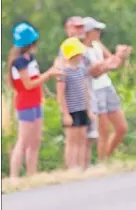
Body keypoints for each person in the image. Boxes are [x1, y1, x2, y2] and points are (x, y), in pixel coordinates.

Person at [7, 22, 64, 179]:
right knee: (23, 141)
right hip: (25, 104)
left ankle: (32, 174)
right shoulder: (20, 62)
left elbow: (35, 80)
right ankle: (14, 176)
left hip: (35, 102)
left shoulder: (29, 58)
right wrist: (49, 74)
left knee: (35, 140)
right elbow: (28, 84)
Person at [82, 17, 131, 163]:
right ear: (88, 32)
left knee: (121, 128)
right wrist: (109, 63)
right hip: (95, 91)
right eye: (96, 30)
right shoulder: (83, 51)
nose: (99, 33)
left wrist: (120, 55)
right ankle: (102, 162)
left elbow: (113, 63)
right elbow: (94, 73)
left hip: (107, 86)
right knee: (104, 131)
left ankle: (106, 159)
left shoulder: (97, 45)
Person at [56, 37, 94, 170]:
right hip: (71, 110)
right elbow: (60, 94)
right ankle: (71, 166)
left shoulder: (81, 69)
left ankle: (81, 166)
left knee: (82, 138)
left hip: (82, 108)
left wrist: (88, 109)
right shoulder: (63, 72)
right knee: (72, 140)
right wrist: (65, 114)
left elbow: (84, 90)